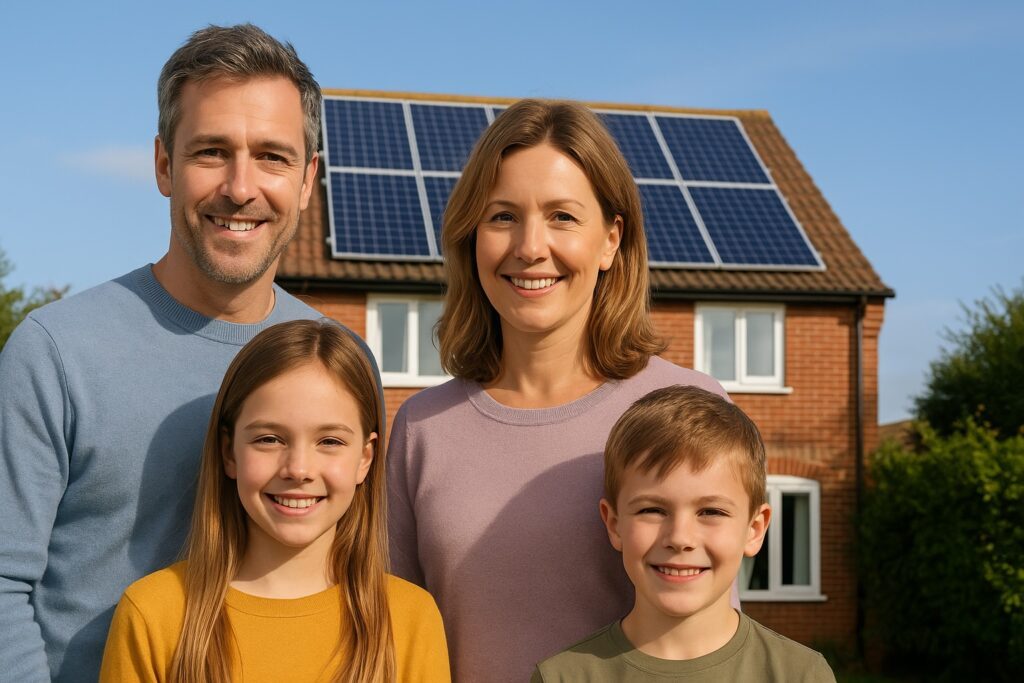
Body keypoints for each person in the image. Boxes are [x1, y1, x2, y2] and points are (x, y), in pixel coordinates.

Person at [0, 24, 370, 682]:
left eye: (272, 157)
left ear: (309, 179)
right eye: (211, 151)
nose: (239, 186)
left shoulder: (342, 362)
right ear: (164, 165)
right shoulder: (56, 352)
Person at [387, 98, 734, 682]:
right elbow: (393, 640)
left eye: (562, 217)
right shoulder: (423, 426)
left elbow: (718, 644)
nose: (529, 246)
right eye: (501, 216)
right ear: (472, 237)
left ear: (610, 240)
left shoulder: (687, 409)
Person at [98, 320, 449, 682]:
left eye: (329, 441)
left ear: (365, 458)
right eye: (269, 439)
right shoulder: (154, 614)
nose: (298, 469)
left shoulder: (410, 619)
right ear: (228, 452)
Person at [533, 385, 836, 681]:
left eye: (711, 512)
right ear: (614, 524)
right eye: (652, 510)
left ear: (754, 530)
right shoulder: (563, 676)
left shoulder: (802, 674)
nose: (679, 538)